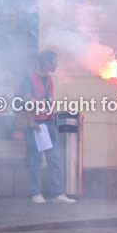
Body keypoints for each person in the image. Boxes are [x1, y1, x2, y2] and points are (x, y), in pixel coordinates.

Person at [20, 50, 75, 204]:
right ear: (46, 62)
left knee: (54, 159)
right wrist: (32, 121)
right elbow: (27, 100)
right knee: (37, 159)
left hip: (49, 122)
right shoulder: (30, 77)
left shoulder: (49, 78)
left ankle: (57, 194)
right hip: (37, 124)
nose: (56, 64)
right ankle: (36, 193)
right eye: (54, 61)